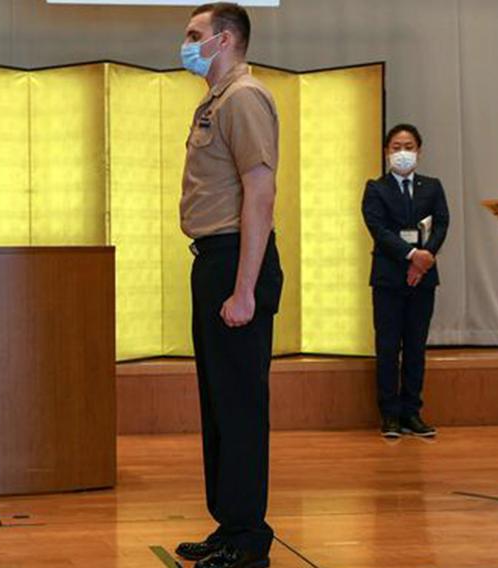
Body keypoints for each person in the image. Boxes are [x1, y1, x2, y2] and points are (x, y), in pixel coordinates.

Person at [174, 4, 282, 568]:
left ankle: (248, 541)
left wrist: (245, 290)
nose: (185, 43)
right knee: (218, 402)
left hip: (238, 260)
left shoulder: (245, 97)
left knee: (239, 404)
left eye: (194, 35)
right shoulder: (214, 101)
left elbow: (259, 194)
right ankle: (229, 524)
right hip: (212, 258)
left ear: (224, 40)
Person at [361, 123, 450, 439]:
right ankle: (390, 415)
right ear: (387, 152)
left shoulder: (433, 186)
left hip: (423, 280)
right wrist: (412, 255)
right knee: (388, 348)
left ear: (419, 151)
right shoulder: (376, 188)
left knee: (415, 347)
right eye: (396, 147)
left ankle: (412, 412)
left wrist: (423, 260)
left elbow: (441, 224)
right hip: (388, 279)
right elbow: (379, 230)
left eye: (408, 146)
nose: (402, 152)